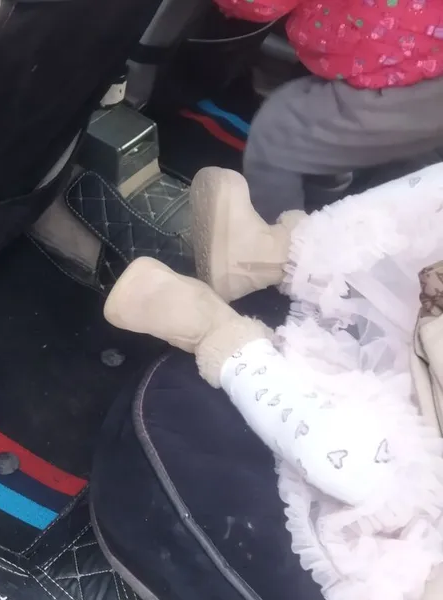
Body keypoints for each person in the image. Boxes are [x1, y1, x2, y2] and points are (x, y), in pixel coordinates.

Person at [104, 165, 443, 600]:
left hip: (420, 483)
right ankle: (267, 253)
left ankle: (221, 336)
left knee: (365, 471)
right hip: (424, 340)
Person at [209, 0, 443, 224]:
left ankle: (278, 243)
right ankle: (323, 203)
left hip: (402, 82)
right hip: (421, 60)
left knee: (278, 135)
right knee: (327, 140)